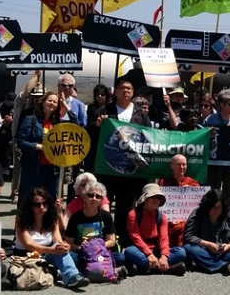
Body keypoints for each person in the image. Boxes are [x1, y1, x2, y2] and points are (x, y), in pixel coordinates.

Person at [88, 77, 150, 246]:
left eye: (129, 88)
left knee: (125, 207)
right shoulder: (104, 109)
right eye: (122, 88)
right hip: (107, 167)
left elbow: (148, 138)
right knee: (103, 204)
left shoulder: (141, 114)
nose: (125, 91)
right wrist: (98, 125)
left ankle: (122, 240)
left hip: (129, 170)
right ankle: (101, 239)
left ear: (133, 92)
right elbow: (90, 134)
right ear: (115, 91)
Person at [14, 187, 90, 288]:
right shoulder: (21, 220)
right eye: (37, 204)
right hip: (26, 257)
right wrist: (52, 250)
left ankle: (72, 277)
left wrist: (64, 246)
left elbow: (58, 240)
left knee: (62, 249)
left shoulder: (52, 218)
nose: (41, 207)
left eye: (44, 203)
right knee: (66, 256)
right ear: (30, 206)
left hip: (46, 256)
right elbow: (29, 245)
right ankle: (63, 273)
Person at [17, 91, 73, 201]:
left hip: (52, 170)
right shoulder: (30, 119)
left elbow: (77, 123)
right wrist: (39, 147)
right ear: (43, 102)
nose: (52, 103)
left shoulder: (58, 123)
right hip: (34, 168)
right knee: (29, 200)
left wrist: (65, 106)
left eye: (55, 102)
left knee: (50, 201)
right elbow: (21, 142)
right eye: (50, 100)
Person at [64, 182, 126, 276]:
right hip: (82, 253)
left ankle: (89, 271)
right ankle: (108, 270)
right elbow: (69, 243)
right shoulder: (75, 218)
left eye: (98, 196)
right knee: (70, 257)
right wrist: (82, 248)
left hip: (101, 252)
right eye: (91, 195)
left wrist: (95, 247)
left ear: (101, 200)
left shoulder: (106, 216)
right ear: (85, 197)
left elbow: (111, 241)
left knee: (120, 257)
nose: (94, 198)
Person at [125, 184, 187, 276]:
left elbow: (164, 238)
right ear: (145, 200)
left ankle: (148, 267)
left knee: (181, 252)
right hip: (140, 249)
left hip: (156, 249)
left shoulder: (162, 217)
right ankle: (165, 268)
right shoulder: (133, 214)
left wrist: (164, 256)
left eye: (158, 198)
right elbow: (135, 237)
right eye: (152, 197)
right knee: (129, 251)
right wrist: (149, 254)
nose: (156, 200)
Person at [183, 189, 230, 275]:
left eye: (219, 207)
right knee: (188, 248)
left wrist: (228, 246)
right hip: (203, 250)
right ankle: (222, 266)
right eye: (213, 207)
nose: (216, 210)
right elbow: (188, 235)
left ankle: (202, 264)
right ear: (207, 206)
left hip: (223, 253)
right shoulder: (197, 213)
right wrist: (208, 245)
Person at [203, 89, 230, 205]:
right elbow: (203, 140)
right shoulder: (211, 119)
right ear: (222, 105)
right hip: (214, 163)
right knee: (212, 191)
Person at [158, 155, 200, 253]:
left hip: (187, 221)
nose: (181, 167)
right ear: (171, 166)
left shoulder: (192, 183)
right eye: (178, 165)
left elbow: (198, 205)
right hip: (170, 221)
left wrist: (190, 192)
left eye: (184, 165)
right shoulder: (163, 182)